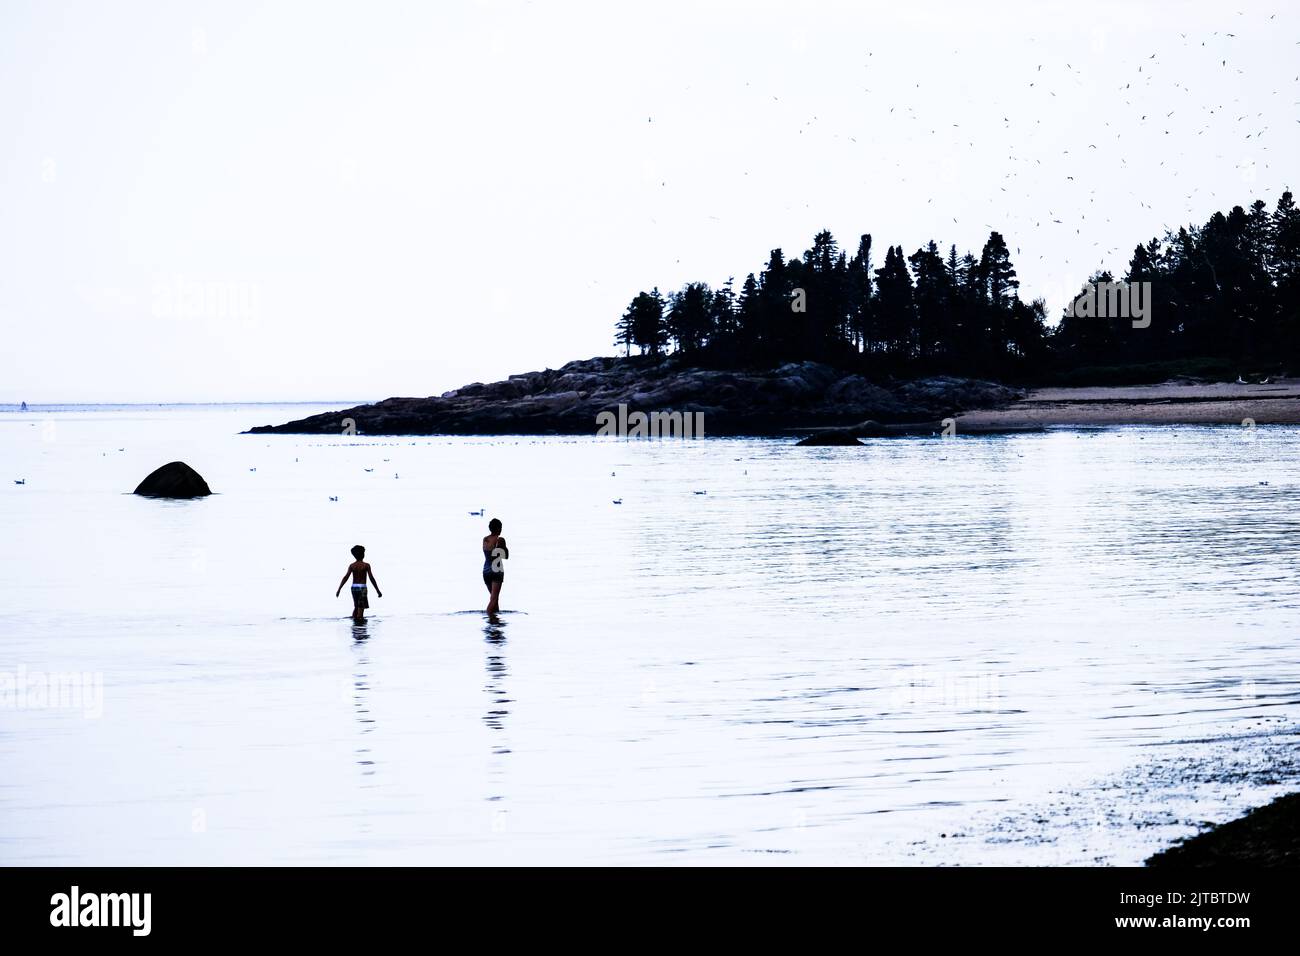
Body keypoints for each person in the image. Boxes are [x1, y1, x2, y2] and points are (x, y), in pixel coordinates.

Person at [336, 544, 381, 622]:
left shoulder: (352, 565)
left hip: (354, 588)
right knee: (361, 609)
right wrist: (377, 590)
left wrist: (339, 589)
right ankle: (359, 628)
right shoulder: (366, 565)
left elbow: (346, 577)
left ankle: (354, 625)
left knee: (356, 607)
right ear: (363, 554)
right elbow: (371, 578)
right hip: (362, 588)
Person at [482, 519, 509, 614]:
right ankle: (487, 617)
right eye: (500, 527)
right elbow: (505, 556)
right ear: (498, 528)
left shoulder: (485, 539)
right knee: (494, 599)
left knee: (494, 599)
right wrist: (504, 547)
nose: (501, 529)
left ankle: (494, 621)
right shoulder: (500, 540)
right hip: (496, 570)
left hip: (486, 570)